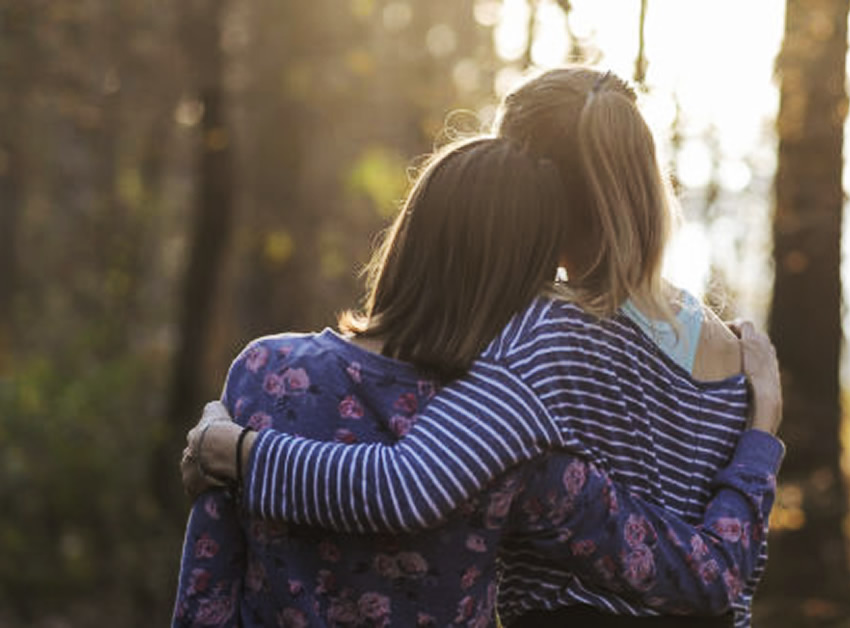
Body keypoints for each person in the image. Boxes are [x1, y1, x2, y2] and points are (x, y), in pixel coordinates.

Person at [185, 68, 782, 628]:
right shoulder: (727, 347)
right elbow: (728, 574)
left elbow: (404, 486)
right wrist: (763, 433)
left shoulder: (538, 339)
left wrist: (237, 453)